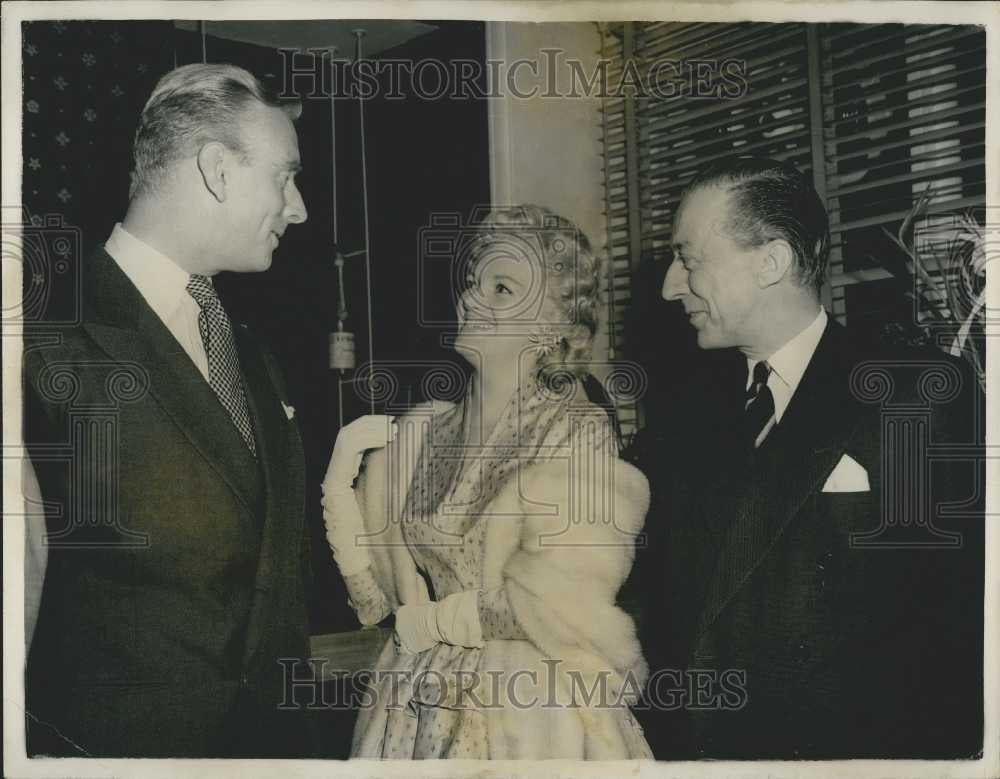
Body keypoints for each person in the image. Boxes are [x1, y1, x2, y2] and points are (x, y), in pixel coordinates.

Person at [628, 156, 984, 759]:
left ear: (771, 262)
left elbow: (958, 629)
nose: (669, 286)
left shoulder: (913, 393)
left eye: (688, 261)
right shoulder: (679, 420)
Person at [23, 63, 311, 757]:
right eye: (285, 176)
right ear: (216, 169)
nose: (298, 207)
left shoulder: (255, 353)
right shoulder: (40, 338)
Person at [321, 205, 654, 759]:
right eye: (475, 283)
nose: (472, 298)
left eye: (502, 289)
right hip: (413, 701)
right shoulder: (421, 433)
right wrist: (338, 493)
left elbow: (560, 607)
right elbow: (376, 601)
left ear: (554, 325)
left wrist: (431, 623)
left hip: (535, 708)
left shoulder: (577, 432)